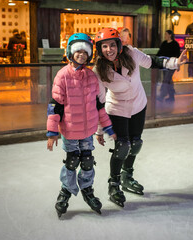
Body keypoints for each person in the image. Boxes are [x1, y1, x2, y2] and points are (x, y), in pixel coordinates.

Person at [93, 28, 187, 207]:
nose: (109, 49)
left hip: (138, 104)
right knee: (122, 146)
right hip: (117, 108)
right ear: (99, 49)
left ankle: (127, 176)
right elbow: (99, 100)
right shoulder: (98, 70)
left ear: (119, 45)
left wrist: (175, 62)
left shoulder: (131, 53)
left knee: (135, 143)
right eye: (104, 46)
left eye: (112, 45)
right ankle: (114, 184)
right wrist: (99, 129)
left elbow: (153, 61)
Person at [46, 33, 116, 217]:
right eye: (78, 51)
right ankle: (65, 191)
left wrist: (107, 127)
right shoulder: (62, 76)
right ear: (70, 52)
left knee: (86, 161)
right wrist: (52, 132)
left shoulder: (91, 77)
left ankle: (87, 190)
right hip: (69, 130)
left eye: (85, 52)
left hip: (87, 130)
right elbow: (55, 106)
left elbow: (99, 105)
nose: (81, 55)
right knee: (72, 161)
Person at [156, 30, 181, 102]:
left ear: (170, 35)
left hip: (172, 65)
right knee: (169, 80)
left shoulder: (175, 44)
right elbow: (160, 53)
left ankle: (162, 95)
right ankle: (171, 96)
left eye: (166, 34)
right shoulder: (164, 43)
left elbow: (177, 55)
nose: (165, 36)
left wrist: (178, 65)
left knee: (166, 80)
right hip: (165, 65)